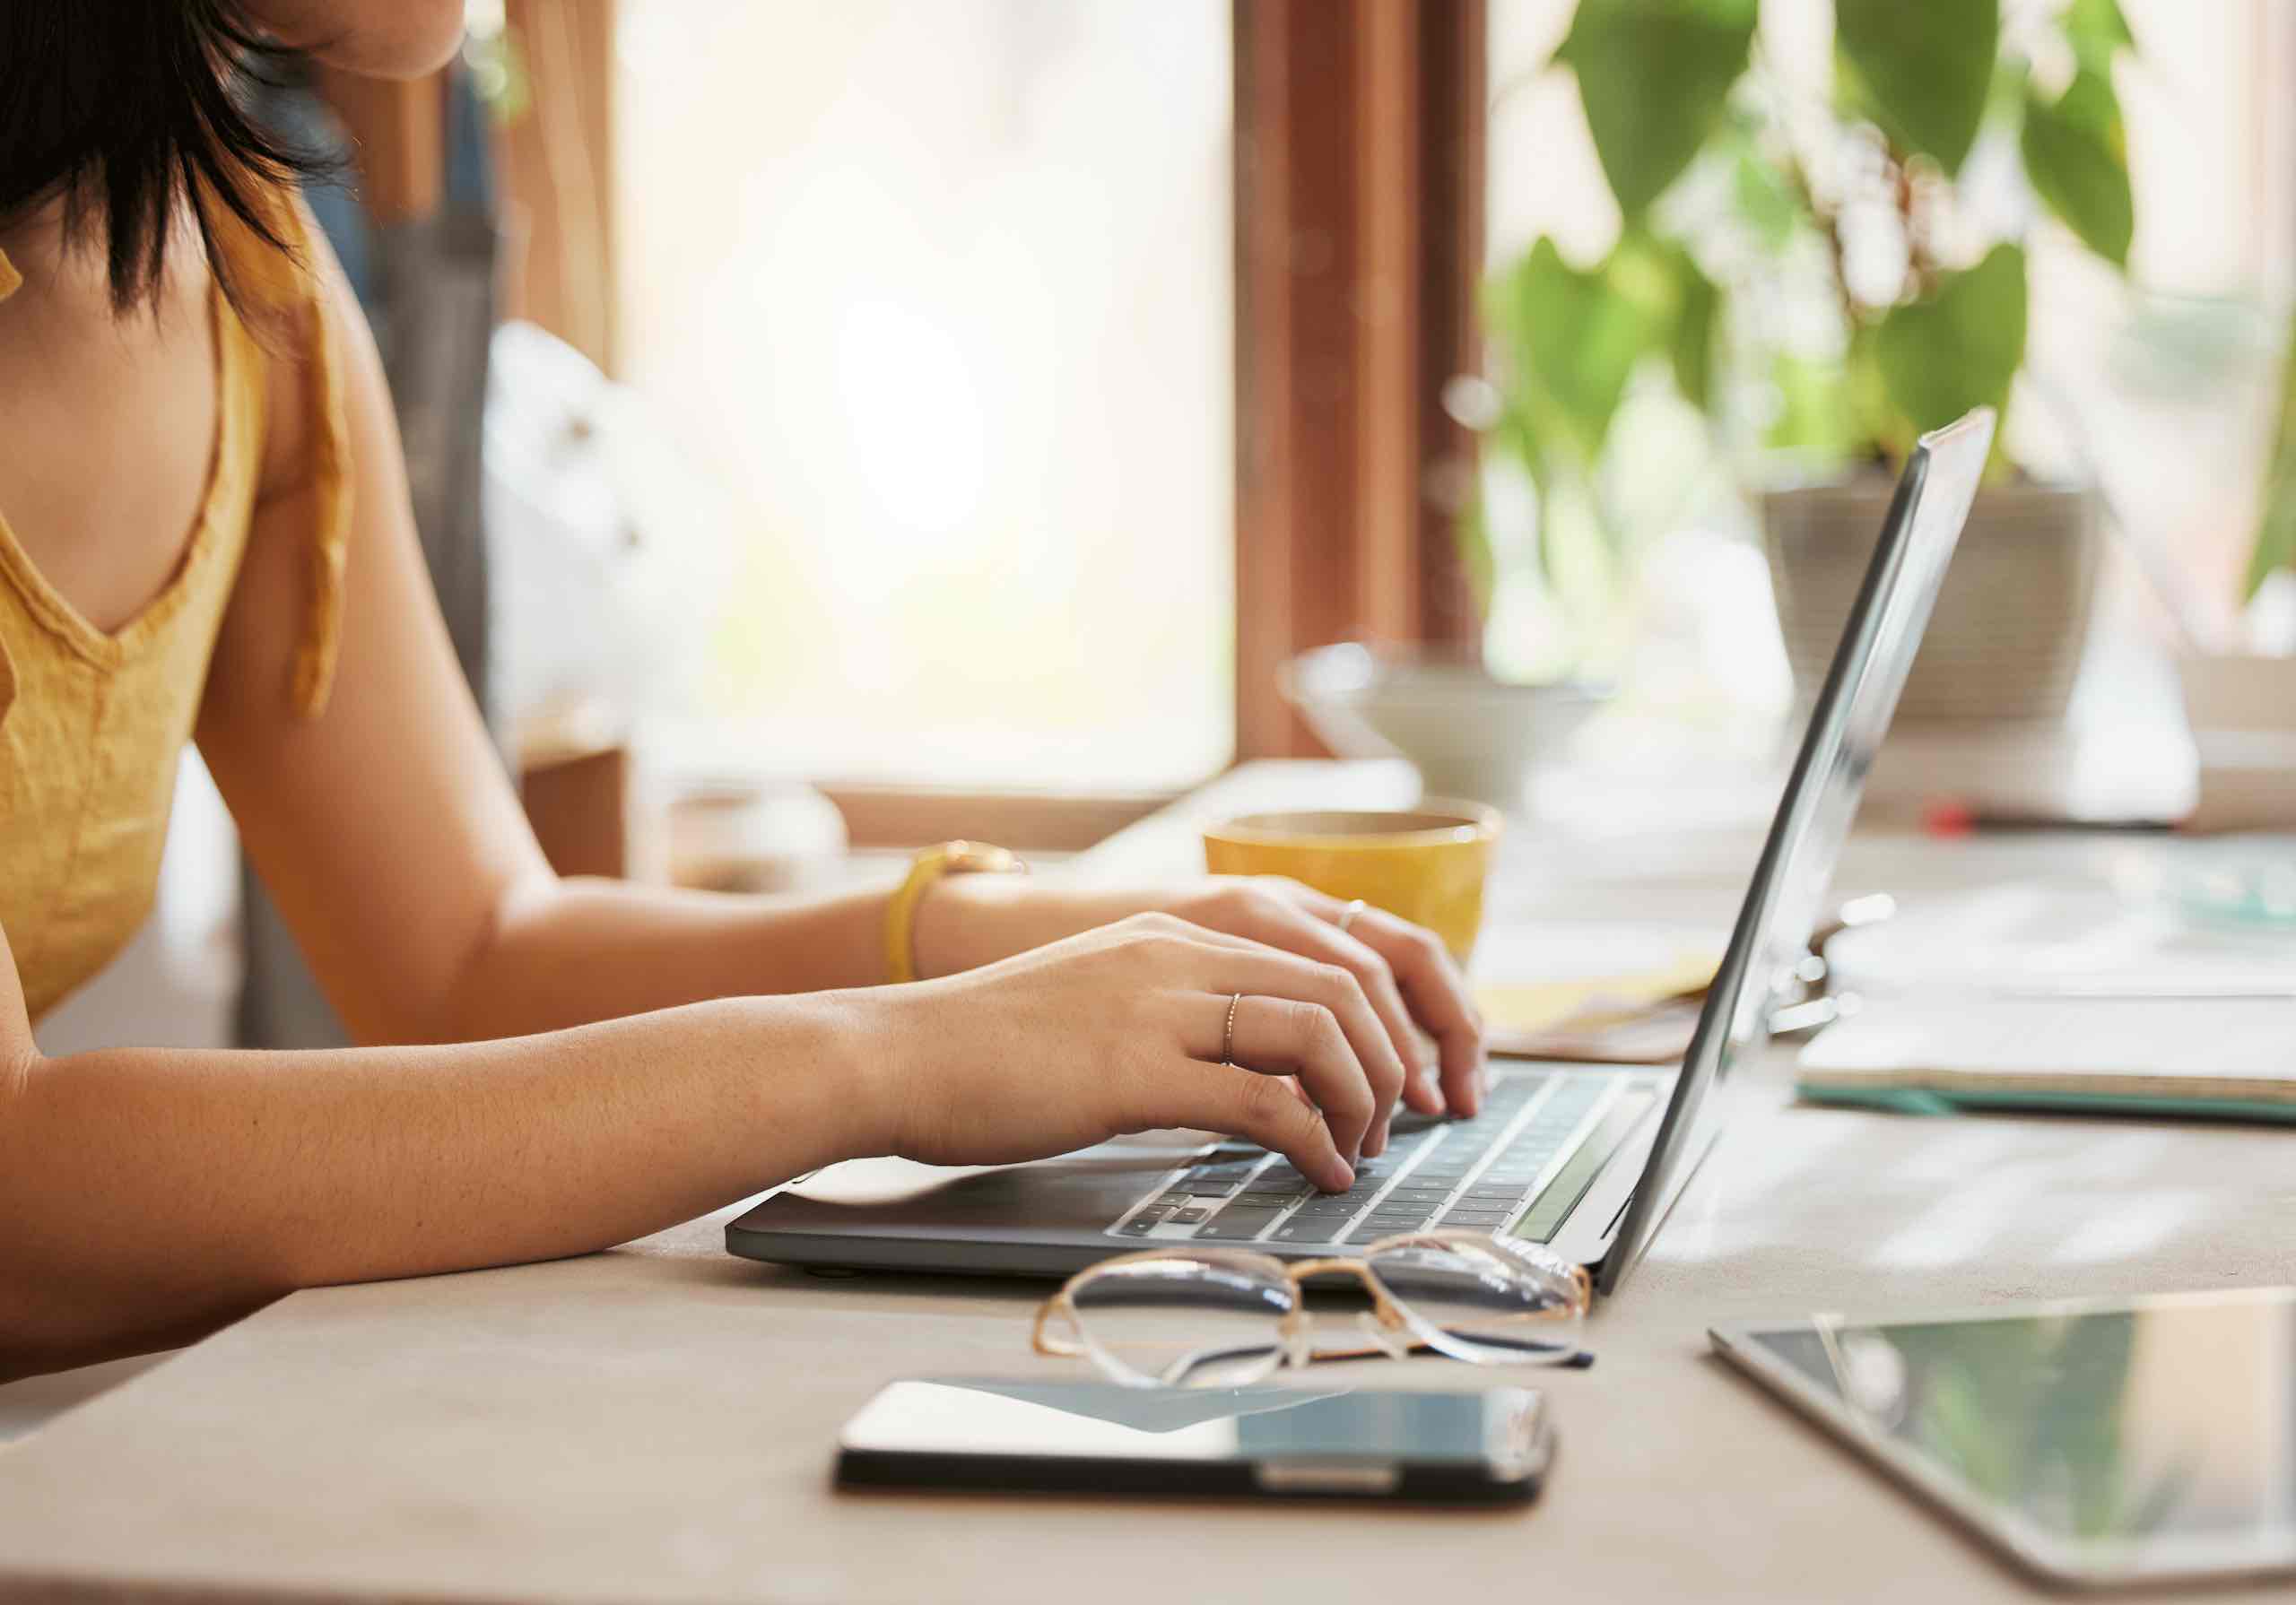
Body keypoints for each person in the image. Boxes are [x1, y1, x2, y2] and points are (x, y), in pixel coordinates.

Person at [0, 2, 1484, 1382]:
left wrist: (1028, 944)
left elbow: (470, 955)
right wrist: (901, 1058)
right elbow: (21, 1204)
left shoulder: (245, 275)